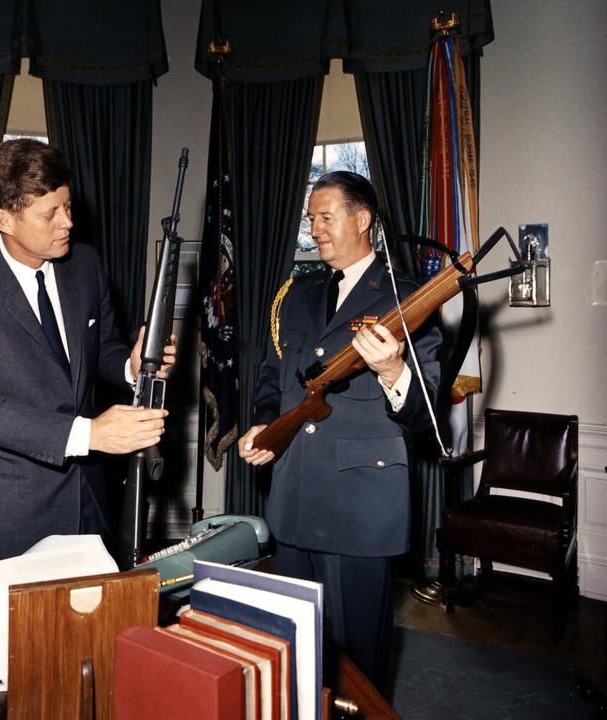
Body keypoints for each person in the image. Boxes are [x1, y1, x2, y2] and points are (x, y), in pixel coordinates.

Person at [0, 139, 175, 567]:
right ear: (3, 219)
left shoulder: (85, 266)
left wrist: (132, 367)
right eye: (50, 214)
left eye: (69, 206)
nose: (68, 223)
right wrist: (89, 434)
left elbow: (102, 351)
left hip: (91, 497)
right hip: (10, 508)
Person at [238, 171, 441, 691]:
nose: (315, 230)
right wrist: (263, 423)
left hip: (360, 502)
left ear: (363, 219)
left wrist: (395, 371)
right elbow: (272, 374)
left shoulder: (406, 298)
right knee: (295, 645)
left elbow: (429, 412)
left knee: (357, 657)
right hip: (295, 490)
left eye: (325, 217)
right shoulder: (298, 294)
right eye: (311, 219)